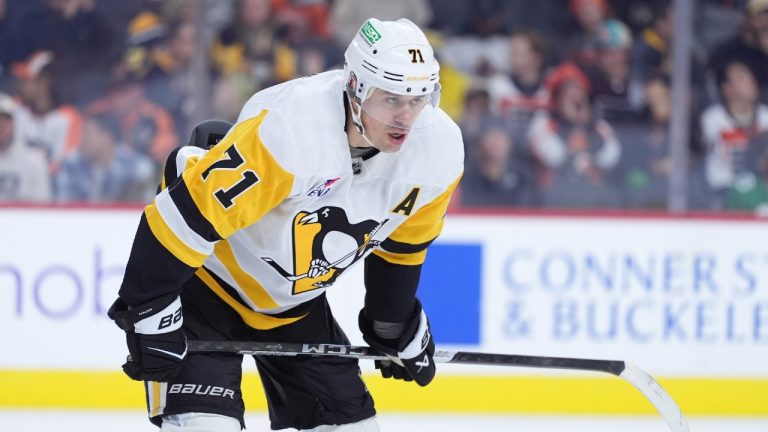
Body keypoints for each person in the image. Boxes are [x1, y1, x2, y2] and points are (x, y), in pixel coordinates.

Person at [107, 18, 463, 432]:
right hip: (206, 286)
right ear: (355, 87)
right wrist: (147, 309)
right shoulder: (291, 129)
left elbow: (402, 245)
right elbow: (178, 220)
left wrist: (392, 322)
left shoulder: (438, 148)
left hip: (294, 306)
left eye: (417, 100)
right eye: (391, 100)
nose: (406, 117)